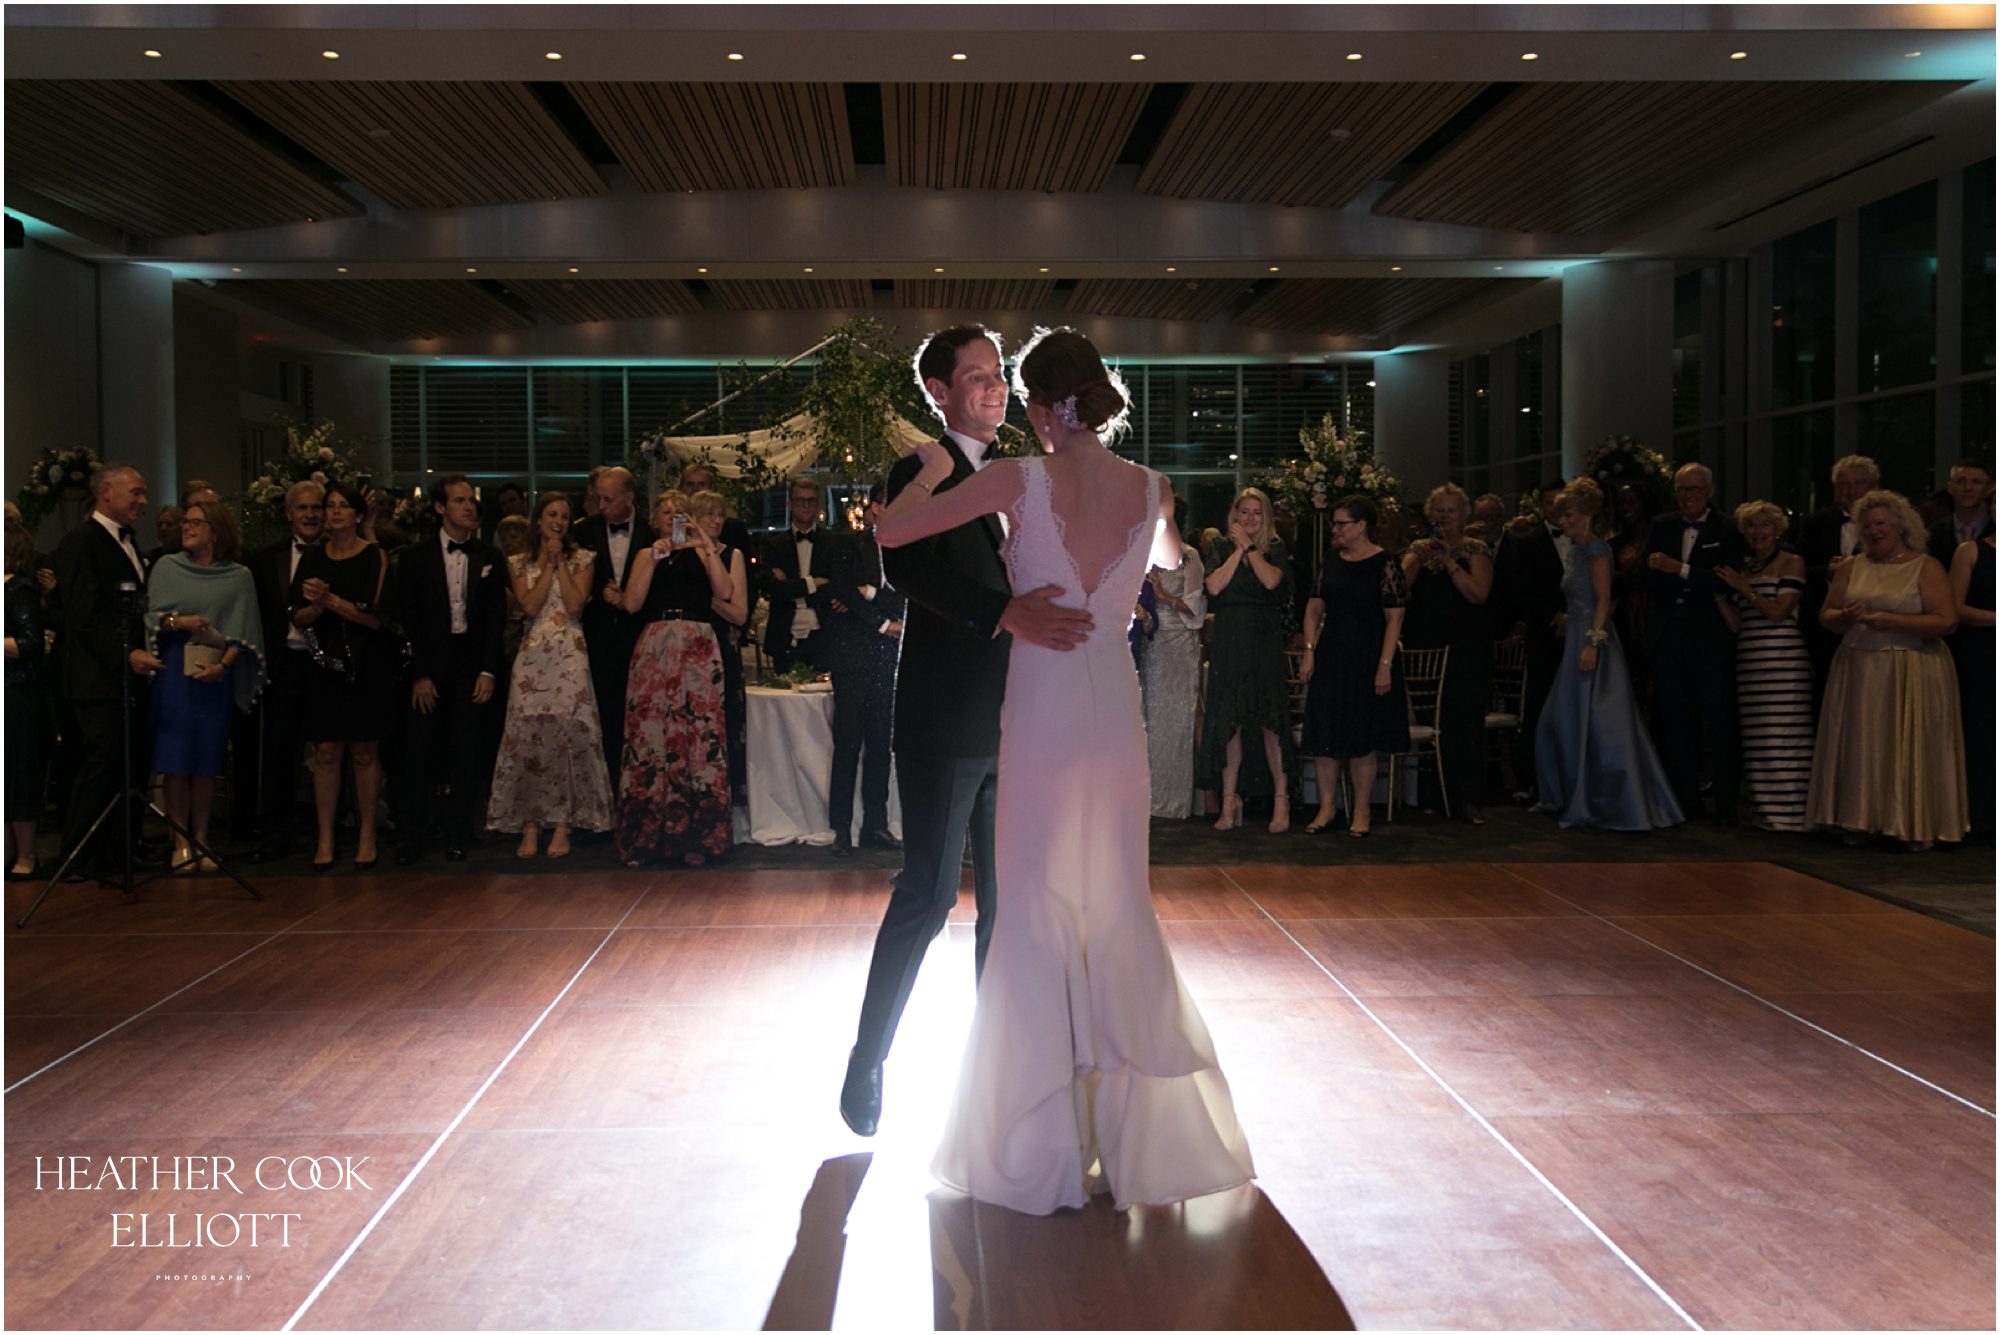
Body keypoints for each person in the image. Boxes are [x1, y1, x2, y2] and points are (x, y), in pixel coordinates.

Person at [874, 326, 1253, 1215]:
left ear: (1041, 407)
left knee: (1036, 906)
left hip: (1042, 709)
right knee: (1113, 899)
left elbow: (891, 532)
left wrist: (932, 468)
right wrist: (1148, 537)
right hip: (1112, 709)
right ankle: (1133, 1142)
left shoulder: (1017, 478)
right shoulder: (1151, 488)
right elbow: (1171, 562)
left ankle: (1045, 1142)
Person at [839, 323, 1092, 1141]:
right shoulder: (922, 467)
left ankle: (999, 1074)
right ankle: (868, 1057)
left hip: (1018, 719)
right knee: (927, 893)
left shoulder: (1023, 472)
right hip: (945, 716)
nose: (993, 386)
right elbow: (906, 566)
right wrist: (1004, 612)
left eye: (997, 373)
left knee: (1008, 908)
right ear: (939, 392)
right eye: (976, 375)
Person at [1806, 491, 1967, 850]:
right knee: (1862, 745)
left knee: (1908, 745)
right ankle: (1858, 819)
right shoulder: (1851, 566)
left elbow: (1947, 620)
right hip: (1858, 668)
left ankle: (1912, 823)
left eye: (1880, 524)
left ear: (1900, 525)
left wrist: (1894, 621)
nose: (1874, 531)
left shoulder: (1926, 566)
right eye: (1867, 526)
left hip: (1911, 668)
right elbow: (1826, 615)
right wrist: (1844, 617)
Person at [1534, 480, 1684, 830]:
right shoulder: (1576, 550)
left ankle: (1612, 802)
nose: (1563, 520)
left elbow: (1604, 599)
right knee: (1559, 721)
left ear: (1586, 514)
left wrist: (1592, 642)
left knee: (1600, 725)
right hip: (1575, 637)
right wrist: (1569, 620)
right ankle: (1573, 795)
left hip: (1593, 641)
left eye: (1568, 515)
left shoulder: (1597, 549)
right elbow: (1582, 597)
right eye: (1561, 515)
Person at [485, 491, 614, 858]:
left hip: (569, 653)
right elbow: (528, 605)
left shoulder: (583, 559)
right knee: (528, 737)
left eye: (564, 516)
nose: (558, 521)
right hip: (532, 655)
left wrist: (561, 563)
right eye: (552, 515)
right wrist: (546, 562)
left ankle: (563, 823)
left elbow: (574, 605)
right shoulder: (518, 561)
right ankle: (530, 822)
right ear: (539, 520)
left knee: (568, 736)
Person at [613, 490, 736, 867]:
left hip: (698, 642)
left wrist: (705, 546)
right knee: (650, 736)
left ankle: (699, 837)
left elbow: (725, 591)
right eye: (665, 512)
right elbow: (631, 603)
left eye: (679, 511)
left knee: (699, 735)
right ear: (654, 520)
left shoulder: (702, 551)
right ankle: (646, 837)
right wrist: (654, 558)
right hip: (656, 643)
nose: (673, 517)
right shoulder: (644, 554)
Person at [141, 501, 264, 871]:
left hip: (215, 673)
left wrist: (222, 667)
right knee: (176, 759)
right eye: (186, 522)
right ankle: (180, 843)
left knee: (207, 760)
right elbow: (150, 618)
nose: (187, 527)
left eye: (196, 522)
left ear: (216, 531)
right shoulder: (167, 567)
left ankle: (202, 839)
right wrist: (178, 622)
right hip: (174, 672)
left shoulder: (239, 576)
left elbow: (243, 630)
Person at [390, 475, 506, 865]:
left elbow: (495, 619)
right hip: (429, 662)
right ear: (440, 508)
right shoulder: (415, 557)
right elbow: (405, 619)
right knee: (418, 750)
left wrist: (488, 670)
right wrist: (418, 674)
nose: (469, 507)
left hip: (469, 664)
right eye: (459, 500)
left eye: (471, 500)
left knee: (465, 752)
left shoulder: (489, 556)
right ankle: (412, 834)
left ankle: (458, 832)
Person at [51, 463, 153, 883]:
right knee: (102, 762)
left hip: (126, 674)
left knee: (129, 762)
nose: (143, 501)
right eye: (136, 492)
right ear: (107, 491)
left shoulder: (127, 540)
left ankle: (118, 852)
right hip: (97, 676)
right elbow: (84, 616)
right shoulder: (81, 541)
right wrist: (126, 654)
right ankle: (77, 856)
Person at [291, 480, 395, 872]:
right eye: (329, 505)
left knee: (364, 751)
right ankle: (326, 838)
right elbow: (297, 615)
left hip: (366, 662)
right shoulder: (313, 556)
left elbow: (374, 617)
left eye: (341, 506)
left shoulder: (373, 555)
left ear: (358, 514)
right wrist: (317, 608)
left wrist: (330, 600)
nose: (333, 512)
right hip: (324, 661)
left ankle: (367, 834)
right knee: (326, 751)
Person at [1640, 462, 1744, 822]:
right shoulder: (1661, 525)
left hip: (1710, 638)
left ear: (1710, 491)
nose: (1688, 496)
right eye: (1682, 489)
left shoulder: (1727, 528)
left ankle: (1726, 802)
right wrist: (1698, 578)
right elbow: (1647, 578)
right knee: (1675, 720)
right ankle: (1686, 801)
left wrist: (1679, 570)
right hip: (1668, 635)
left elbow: (1727, 581)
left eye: (1695, 489)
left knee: (1719, 719)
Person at [1300, 494, 1409, 836]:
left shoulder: (1385, 563)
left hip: (1368, 655)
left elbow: (1395, 618)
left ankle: (1361, 809)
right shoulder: (1331, 560)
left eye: (1341, 524)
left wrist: (1385, 664)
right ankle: (1327, 807)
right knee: (1325, 731)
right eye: (1334, 523)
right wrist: (1309, 650)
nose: (1335, 529)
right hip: (1332, 653)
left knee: (1362, 734)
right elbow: (1313, 607)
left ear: (1361, 526)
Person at [1195, 487, 1295, 832]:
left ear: (1265, 517)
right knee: (1229, 722)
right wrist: (1237, 550)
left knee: (1271, 721)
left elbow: (1271, 582)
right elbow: (1214, 587)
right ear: (1234, 515)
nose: (1250, 518)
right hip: (1229, 639)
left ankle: (1281, 801)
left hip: (1263, 639)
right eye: (1244, 512)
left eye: (1257, 512)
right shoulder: (1221, 547)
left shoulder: (1274, 548)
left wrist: (1251, 548)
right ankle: (1228, 801)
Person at [1714, 501, 1814, 832]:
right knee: (1758, 739)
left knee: (1786, 734)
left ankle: (1793, 812)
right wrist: (1719, 596)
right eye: (1751, 526)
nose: (1757, 532)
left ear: (1777, 529)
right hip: (1750, 660)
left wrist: (1744, 589)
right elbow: (1737, 624)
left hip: (1783, 659)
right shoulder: (1742, 567)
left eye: (1764, 525)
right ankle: (1765, 812)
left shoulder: (1792, 562)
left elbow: (1779, 611)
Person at [1398, 482, 1495, 824]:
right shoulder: (1418, 548)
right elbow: (1398, 589)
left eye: (1451, 510)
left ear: (1464, 514)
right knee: (1431, 720)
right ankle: (1432, 796)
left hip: (1465, 647)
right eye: (1439, 510)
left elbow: (1478, 594)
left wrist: (1449, 562)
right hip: (1425, 648)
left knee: (1464, 720)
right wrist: (1419, 558)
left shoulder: (1476, 548)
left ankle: (1467, 799)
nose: (1445, 516)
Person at [820, 483, 904, 855]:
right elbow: (839, 590)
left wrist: (869, 593)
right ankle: (841, 829)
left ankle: (876, 825)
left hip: (886, 658)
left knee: (881, 745)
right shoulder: (849, 544)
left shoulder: (907, 548)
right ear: (876, 507)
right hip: (853, 656)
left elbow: (908, 599)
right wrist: (882, 622)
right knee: (848, 743)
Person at [245, 481, 323, 862]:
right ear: (289, 513)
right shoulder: (265, 558)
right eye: (303, 508)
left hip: (325, 665)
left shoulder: (338, 552)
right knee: (278, 751)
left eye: (316, 508)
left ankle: (329, 831)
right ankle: (277, 832)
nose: (310, 515)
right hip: (283, 664)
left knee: (329, 749)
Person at [572, 467, 654, 777]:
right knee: (602, 711)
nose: (602, 505)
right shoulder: (583, 531)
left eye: (609, 499)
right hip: (598, 633)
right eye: (599, 498)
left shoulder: (650, 532)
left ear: (629, 498)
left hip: (638, 633)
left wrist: (627, 597)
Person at [1493, 480, 1568, 802]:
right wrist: (1553, 616)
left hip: (1582, 636)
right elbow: (1520, 589)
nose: (1557, 509)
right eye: (1550, 503)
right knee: (1539, 706)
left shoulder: (1585, 539)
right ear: (1541, 507)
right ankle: (1533, 779)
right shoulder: (1526, 542)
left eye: (1561, 502)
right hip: (1544, 635)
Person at [1795, 454, 1880, 700]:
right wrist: (1830, 572)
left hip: (1874, 621)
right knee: (1827, 692)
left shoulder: (1888, 524)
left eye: (1859, 483)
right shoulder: (1815, 523)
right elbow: (1800, 568)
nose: (1851, 491)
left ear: (1874, 486)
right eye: (1844, 484)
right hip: (1825, 626)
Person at [1141, 502, 1205, 820]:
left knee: (1178, 718)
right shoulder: (1144, 555)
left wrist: (1163, 596)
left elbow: (1196, 609)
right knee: (1150, 719)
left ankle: (1174, 798)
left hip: (1179, 642)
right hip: (1150, 642)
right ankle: (1147, 795)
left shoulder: (1189, 557)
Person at [688, 489, 751, 805]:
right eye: (708, 514)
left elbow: (739, 614)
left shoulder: (731, 555)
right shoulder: (681, 553)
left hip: (720, 646)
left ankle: (726, 798)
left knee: (723, 723)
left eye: (720, 515)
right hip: (687, 648)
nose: (716, 520)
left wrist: (707, 599)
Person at [6, 518, 51, 878]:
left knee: (19, 774)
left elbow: (31, 644)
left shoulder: (20, 590)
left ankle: (26, 854)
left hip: (16, 694)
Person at [759, 475, 833, 674]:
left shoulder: (833, 543)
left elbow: (834, 587)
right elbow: (773, 589)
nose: (806, 506)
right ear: (789, 504)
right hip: (784, 634)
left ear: (817, 505)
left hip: (824, 636)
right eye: (800, 500)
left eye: (811, 501)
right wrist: (813, 583)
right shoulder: (773, 544)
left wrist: (790, 584)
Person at [1949, 527, 1994, 840]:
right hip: (1983, 653)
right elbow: (1955, 607)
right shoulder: (1970, 551)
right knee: (1983, 735)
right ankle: (1983, 819)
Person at [676, 463, 754, 554]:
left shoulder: (733, 528)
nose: (695, 489)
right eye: (690, 484)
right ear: (681, 489)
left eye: (701, 484)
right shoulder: (676, 523)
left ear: (711, 488)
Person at [1928, 460, 1993, 564]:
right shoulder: (1933, 534)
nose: (1967, 488)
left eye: (1976, 482)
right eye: (1960, 482)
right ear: (1950, 488)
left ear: (1988, 488)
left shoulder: (1995, 530)